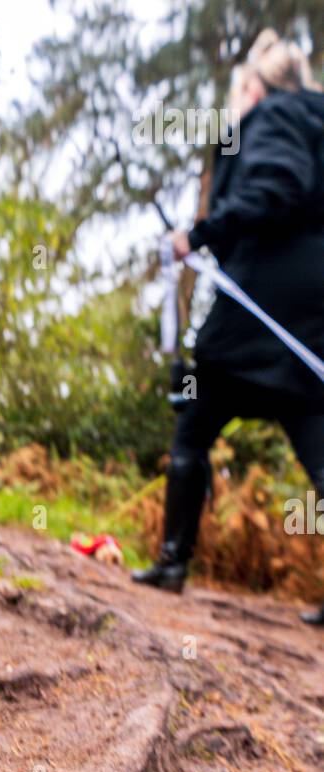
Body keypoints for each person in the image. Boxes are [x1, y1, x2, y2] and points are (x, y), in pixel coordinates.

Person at [132, 29, 324, 624]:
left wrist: (203, 231)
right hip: (309, 321)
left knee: (193, 429)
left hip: (261, 312)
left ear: (254, 86)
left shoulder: (273, 117)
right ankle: (172, 560)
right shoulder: (314, 123)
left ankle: (172, 562)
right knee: (319, 451)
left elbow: (275, 188)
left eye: (238, 90)